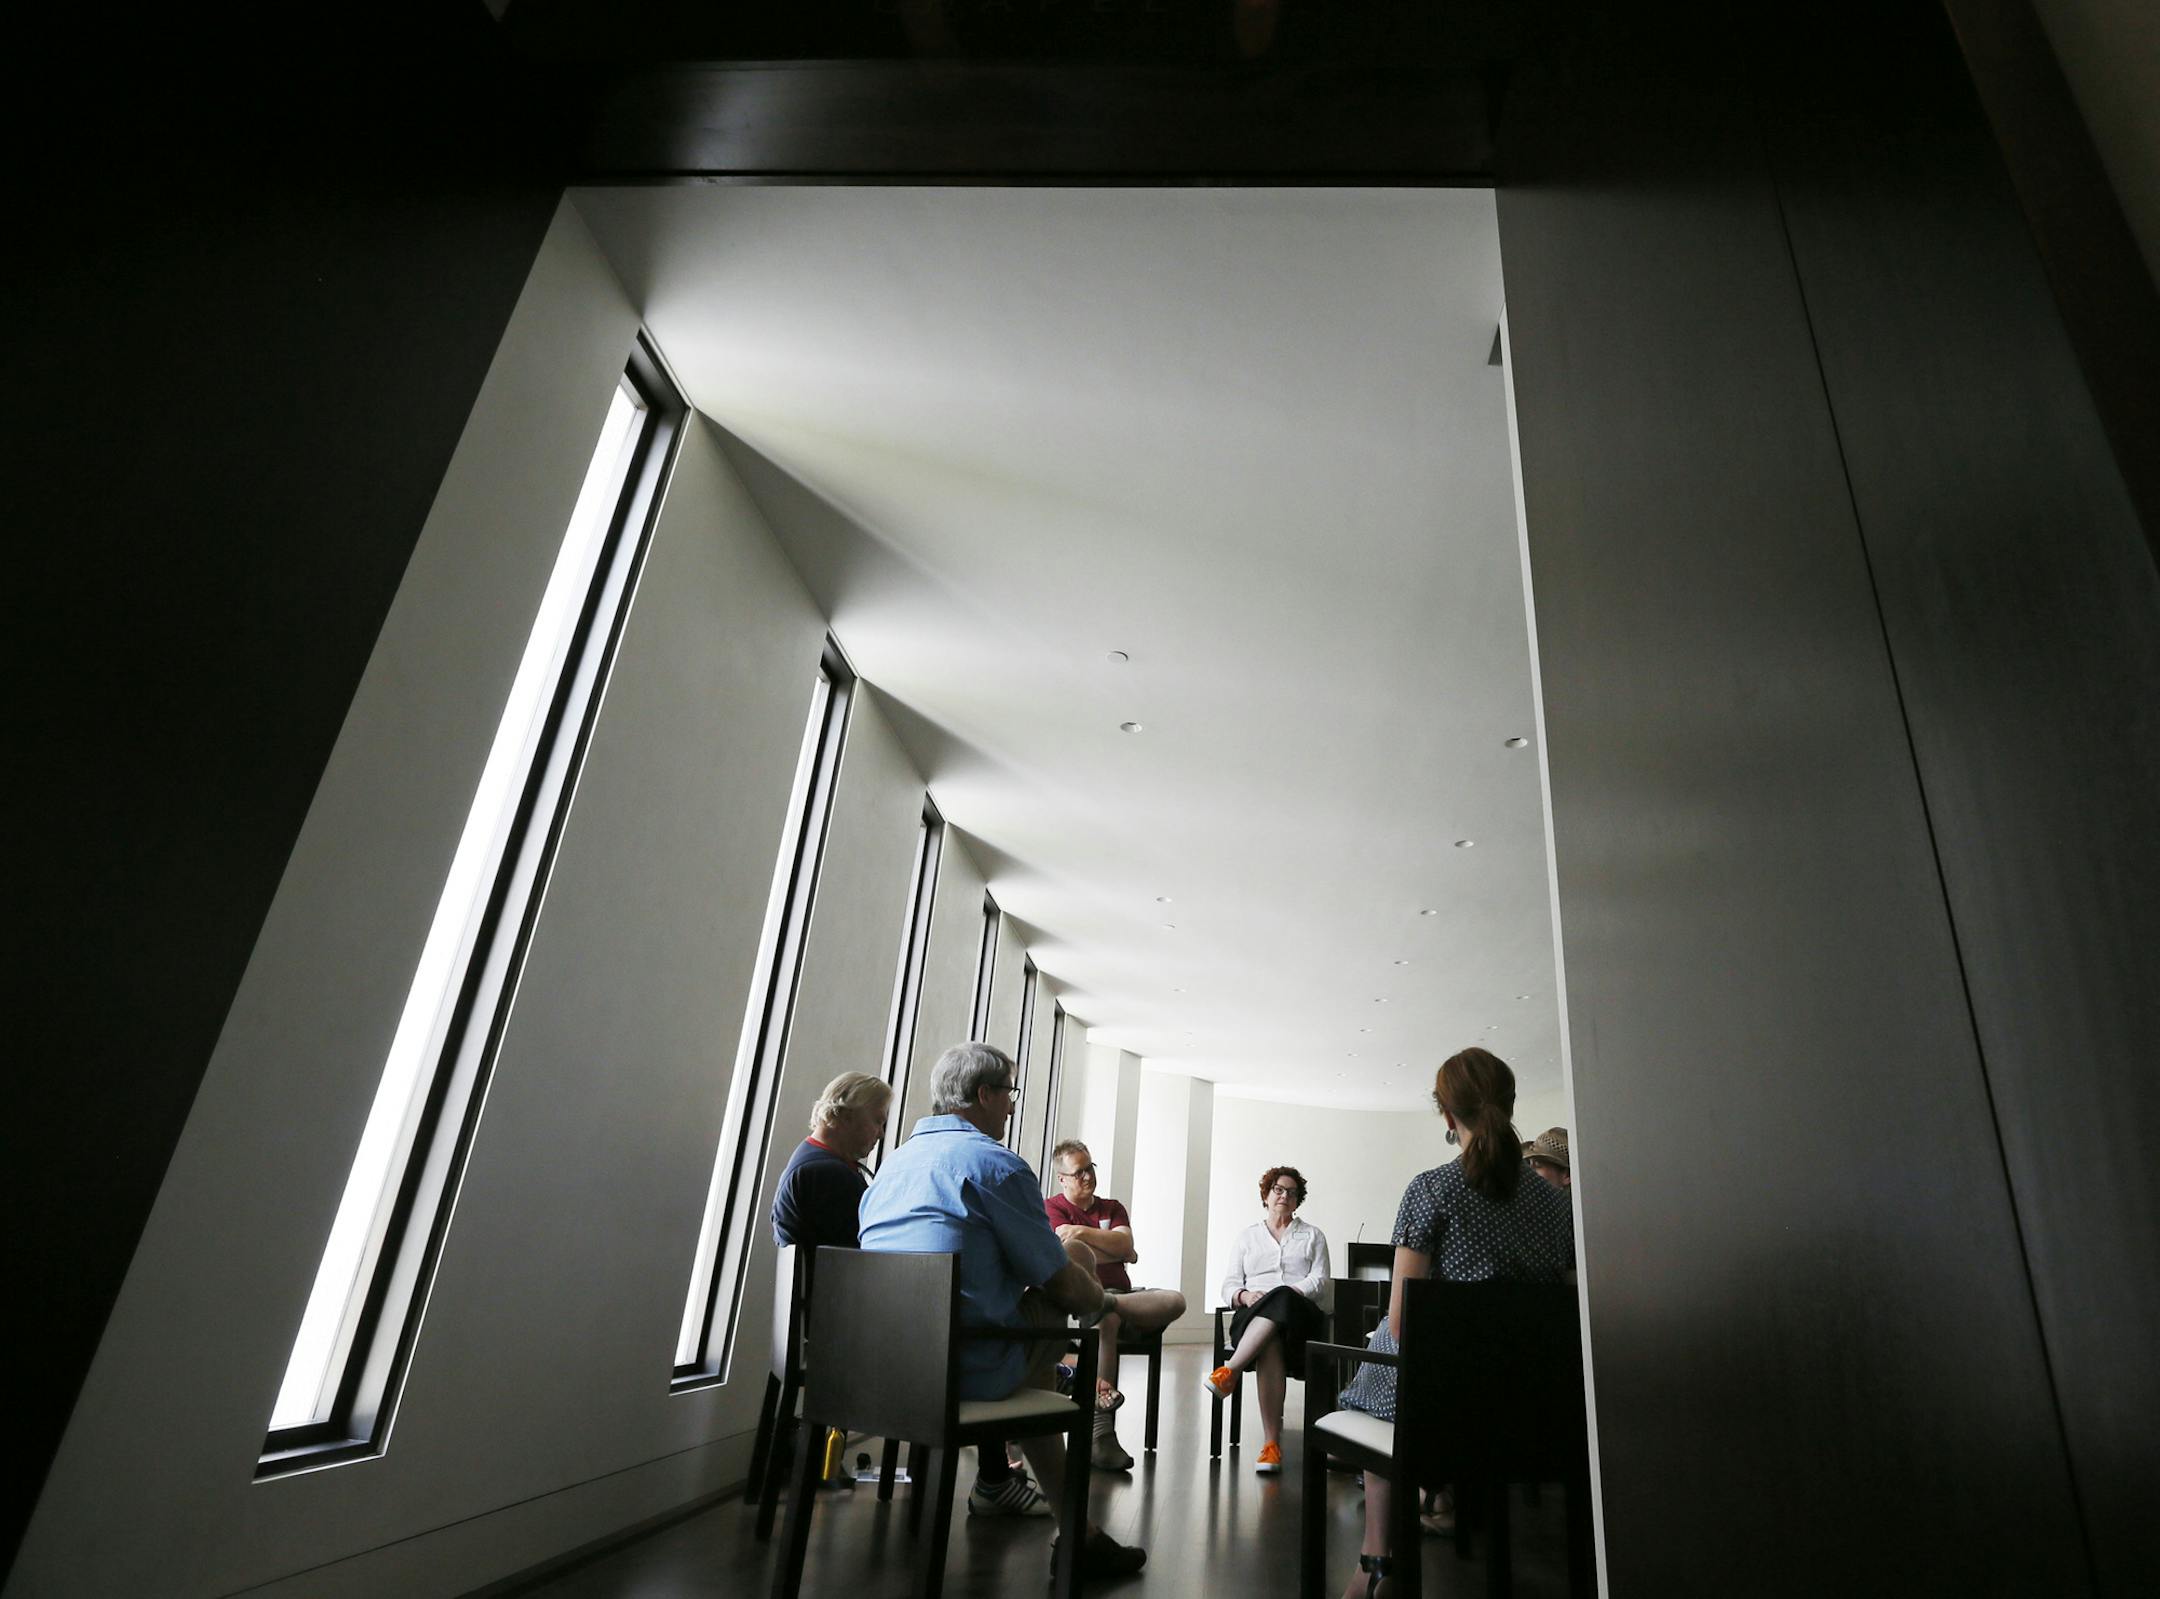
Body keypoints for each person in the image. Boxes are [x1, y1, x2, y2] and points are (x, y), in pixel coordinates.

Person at [859, 1043, 1183, 1578]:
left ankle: (1059, 1518)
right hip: (966, 1367)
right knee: (1063, 1289)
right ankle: (1074, 1520)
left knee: (1063, 1269)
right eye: (1009, 1093)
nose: (1011, 1106)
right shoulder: (996, 1166)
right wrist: (1113, 1304)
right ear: (984, 1095)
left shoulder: (890, 1168)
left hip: (883, 1368)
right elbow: (1059, 1285)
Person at [1333, 1049, 1576, 1599]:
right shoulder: (1556, 1206)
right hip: (1528, 1407)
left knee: (1378, 1367)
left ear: (1446, 1115)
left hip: (1445, 1408)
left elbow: (1402, 1322)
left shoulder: (1431, 1190)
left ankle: (1377, 1558)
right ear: (1510, 1107)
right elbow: (1565, 1306)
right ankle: (1441, 1503)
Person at [1044, 1139, 1189, 1470]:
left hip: (1121, 1296)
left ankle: (1105, 1301)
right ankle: (1100, 1435)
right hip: (1077, 1300)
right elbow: (1070, 1254)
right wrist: (1118, 1250)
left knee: (1174, 1301)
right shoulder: (1052, 1207)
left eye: (1090, 1168)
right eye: (1078, 1172)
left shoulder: (1111, 1207)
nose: (1087, 1177)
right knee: (1105, 1319)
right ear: (1062, 1178)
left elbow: (1126, 1244)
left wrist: (1081, 1231)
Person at [1205, 1165, 1332, 1475]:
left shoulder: (1313, 1235)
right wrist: (1245, 1296)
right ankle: (1271, 1444)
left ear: (1298, 1199)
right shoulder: (1248, 1237)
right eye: (1278, 1189)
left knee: (1284, 1298)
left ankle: (1229, 1371)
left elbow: (1321, 1281)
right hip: (1254, 1317)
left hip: (1301, 1320)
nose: (1284, 1196)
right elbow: (1229, 1285)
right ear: (1266, 1194)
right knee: (1270, 1337)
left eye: (1291, 1192)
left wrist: (1286, 1293)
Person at [770, 1072, 891, 1251]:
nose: (881, 1134)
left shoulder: (810, 1162)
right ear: (846, 1115)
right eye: (877, 1121)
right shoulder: (827, 1174)